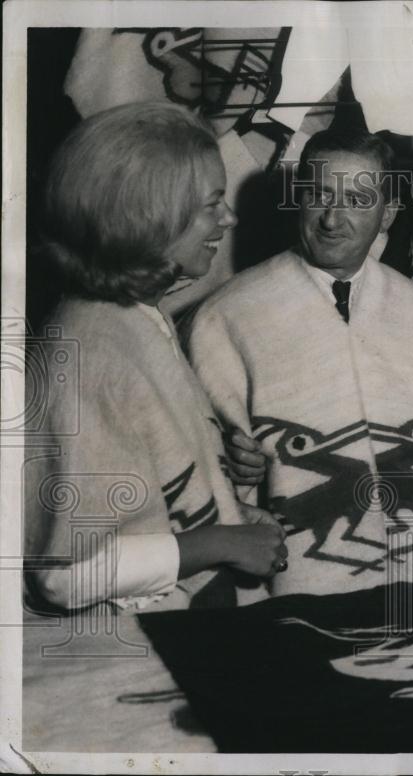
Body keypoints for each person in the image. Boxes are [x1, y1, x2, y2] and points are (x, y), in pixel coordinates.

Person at [186, 126, 413, 596]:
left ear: (388, 215)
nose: (332, 219)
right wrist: (229, 463)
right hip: (296, 577)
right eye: (320, 195)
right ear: (299, 200)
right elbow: (192, 462)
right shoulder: (228, 313)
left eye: (358, 200)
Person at [25, 101, 288, 613]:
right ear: (148, 218)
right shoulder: (88, 349)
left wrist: (229, 516)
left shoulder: (136, 315)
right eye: (212, 204)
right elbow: (65, 575)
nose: (229, 218)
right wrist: (219, 544)